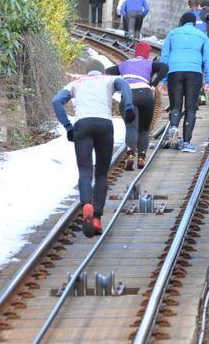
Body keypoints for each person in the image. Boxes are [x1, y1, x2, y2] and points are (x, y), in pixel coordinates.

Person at [52, 59, 136, 238]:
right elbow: (126, 86)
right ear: (101, 71)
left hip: (82, 125)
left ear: (88, 72)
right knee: (101, 174)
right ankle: (96, 217)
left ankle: (86, 205)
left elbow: (56, 101)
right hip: (104, 125)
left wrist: (68, 126)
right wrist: (128, 106)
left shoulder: (76, 83)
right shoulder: (109, 79)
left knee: (84, 171)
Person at [104, 42, 168, 170]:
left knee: (131, 127)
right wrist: (153, 83)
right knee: (144, 129)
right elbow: (165, 67)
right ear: (147, 54)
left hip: (128, 96)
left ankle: (130, 153)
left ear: (136, 53)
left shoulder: (125, 64)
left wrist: (117, 86)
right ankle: (142, 157)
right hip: (146, 94)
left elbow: (107, 71)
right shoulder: (150, 63)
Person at [160, 12, 209, 153]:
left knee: (175, 105)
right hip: (194, 72)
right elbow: (208, 60)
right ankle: (186, 143)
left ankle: (173, 127)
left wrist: (164, 79)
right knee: (191, 107)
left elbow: (164, 57)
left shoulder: (172, 34)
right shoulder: (202, 36)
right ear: (194, 23)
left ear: (182, 22)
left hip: (174, 72)